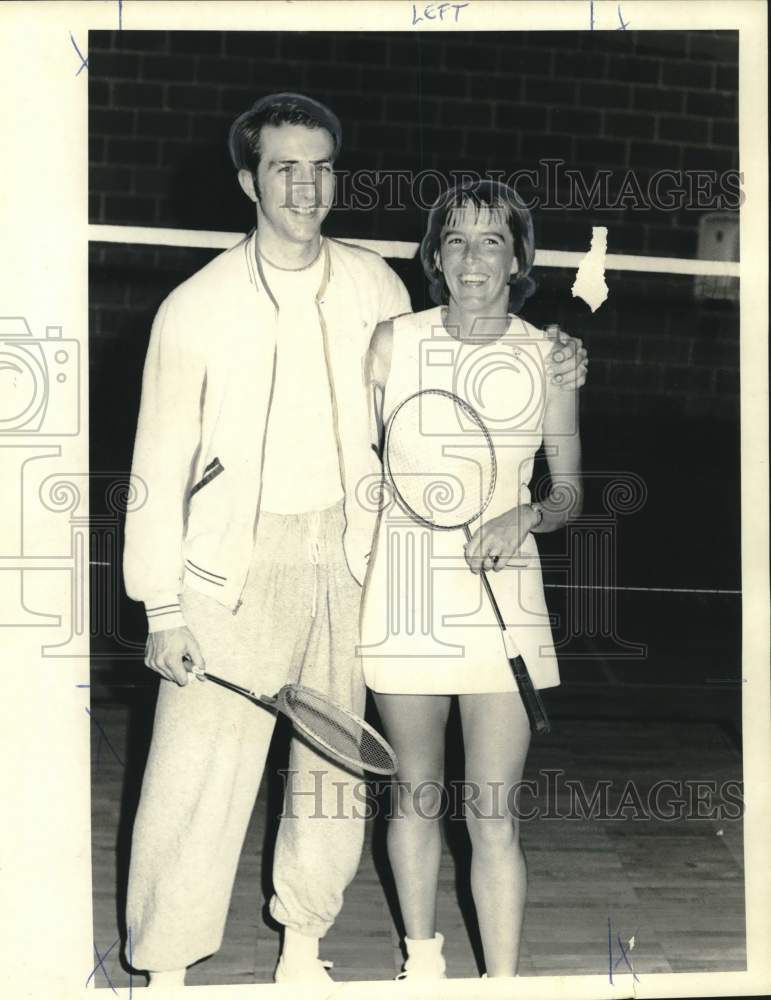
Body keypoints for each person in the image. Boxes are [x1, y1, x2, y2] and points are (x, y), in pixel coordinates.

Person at [122, 93, 587, 988]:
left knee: (332, 777)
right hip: (226, 569)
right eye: (284, 167)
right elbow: (153, 463)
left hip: (349, 560)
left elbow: (463, 344)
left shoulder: (375, 284)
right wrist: (162, 602)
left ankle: (302, 948)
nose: (305, 185)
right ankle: (166, 968)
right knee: (195, 777)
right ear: (248, 181)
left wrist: (561, 351)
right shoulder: (196, 305)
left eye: (321, 166)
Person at [361, 179, 583, 980]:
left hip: (505, 598)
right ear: (434, 256)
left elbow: (566, 492)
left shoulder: (547, 356)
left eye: (491, 241)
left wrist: (523, 516)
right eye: (454, 240)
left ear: (518, 257)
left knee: (492, 813)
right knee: (414, 795)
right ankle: (419, 962)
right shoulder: (393, 341)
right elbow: (351, 459)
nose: (471, 258)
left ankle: (500, 983)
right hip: (405, 591)